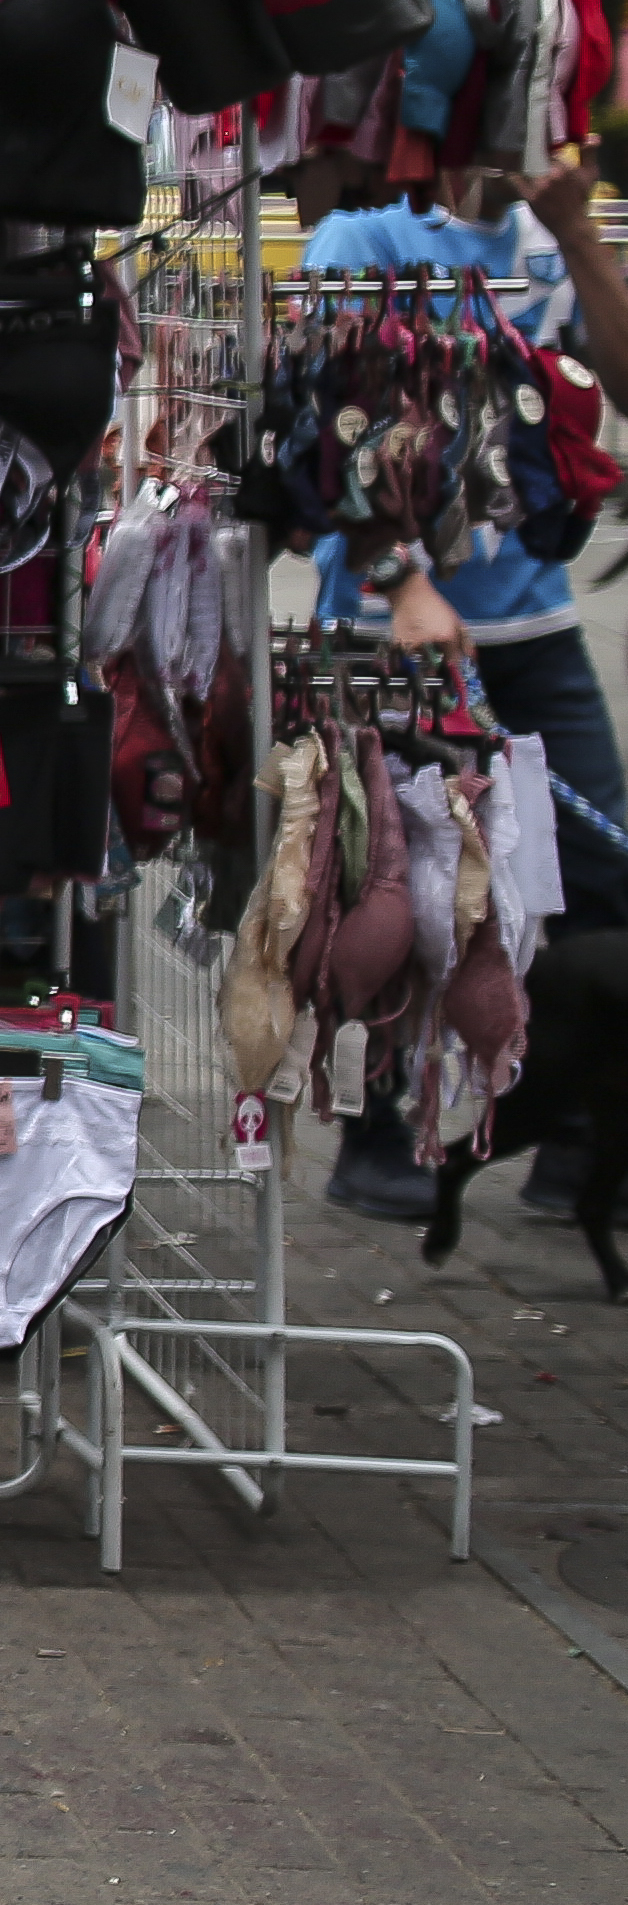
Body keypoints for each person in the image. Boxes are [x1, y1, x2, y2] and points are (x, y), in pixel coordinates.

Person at [302, 158, 628, 1220]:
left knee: (593, 877)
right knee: (391, 889)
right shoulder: (365, 240)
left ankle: (573, 1131)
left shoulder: (544, 239)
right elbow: (320, 430)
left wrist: (577, 237)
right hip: (389, 622)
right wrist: (398, 577)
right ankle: (372, 1125)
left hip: (528, 625)